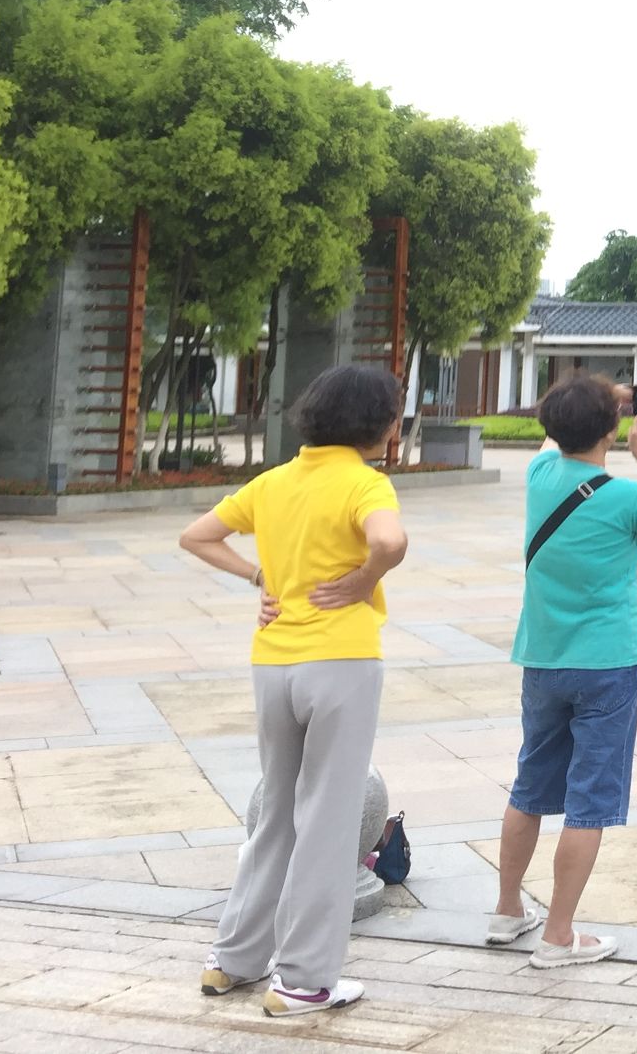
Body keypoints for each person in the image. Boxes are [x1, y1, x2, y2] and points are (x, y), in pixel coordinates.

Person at [180, 364, 408, 1017]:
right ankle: (304, 980)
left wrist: (260, 578)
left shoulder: (274, 481)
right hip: (340, 661)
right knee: (330, 822)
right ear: (379, 424)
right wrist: (366, 578)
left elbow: (196, 535)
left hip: (273, 663)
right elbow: (390, 541)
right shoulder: (366, 483)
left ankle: (232, 961)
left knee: (276, 811)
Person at [491, 372, 637, 967]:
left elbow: (561, 431)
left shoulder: (539, 476)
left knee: (529, 785)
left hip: (544, 658)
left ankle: (506, 910)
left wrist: (598, 402)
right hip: (608, 663)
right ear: (610, 428)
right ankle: (558, 934)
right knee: (589, 802)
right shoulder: (626, 495)